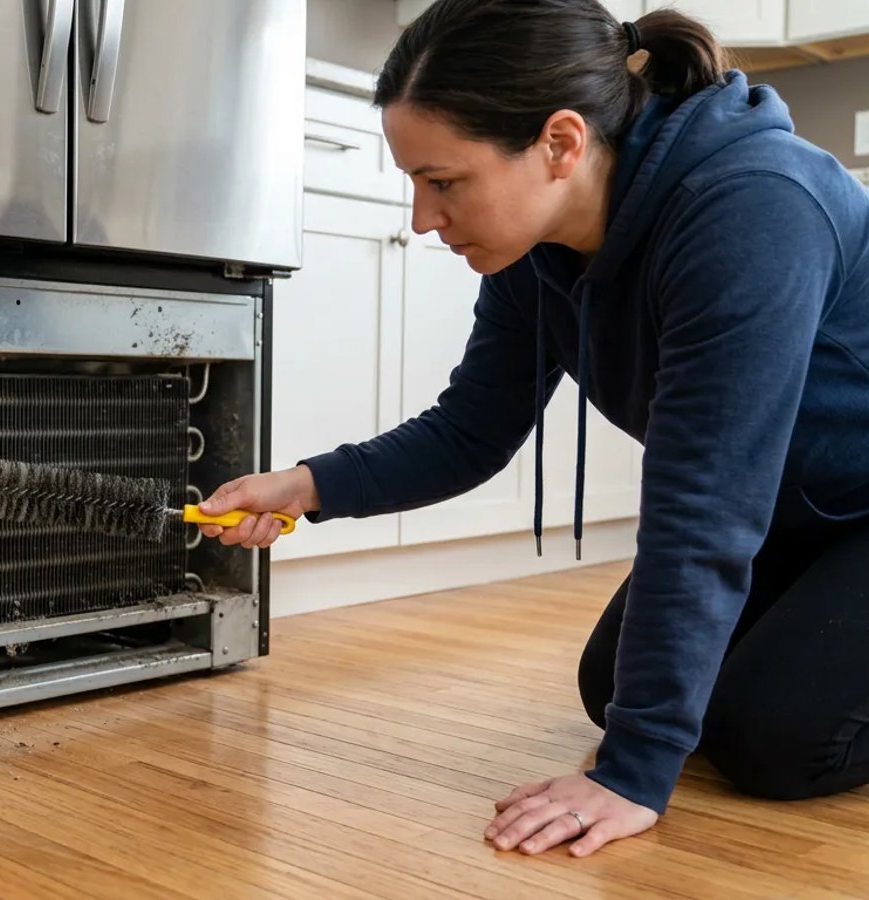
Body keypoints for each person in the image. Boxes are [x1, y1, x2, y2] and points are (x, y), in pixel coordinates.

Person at [199, 0, 869, 859]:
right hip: (800, 512)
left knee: (775, 741)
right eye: (413, 183)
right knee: (611, 686)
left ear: (560, 143)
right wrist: (305, 486)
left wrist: (632, 776)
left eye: (444, 182)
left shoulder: (750, 208)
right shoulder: (538, 250)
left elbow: (704, 506)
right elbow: (470, 431)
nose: (422, 219)